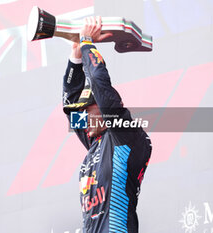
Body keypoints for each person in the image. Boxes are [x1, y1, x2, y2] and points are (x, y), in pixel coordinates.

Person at [62, 16, 152, 233]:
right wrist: (75, 57)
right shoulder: (95, 141)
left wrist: (87, 43)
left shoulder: (125, 136)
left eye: (87, 110)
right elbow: (69, 106)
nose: (82, 116)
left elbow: (101, 86)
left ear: (103, 109)